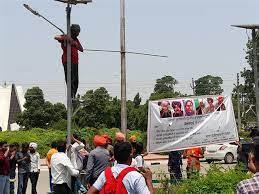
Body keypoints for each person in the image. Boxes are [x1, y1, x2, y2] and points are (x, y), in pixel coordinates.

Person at [87, 142, 155, 194]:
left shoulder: (105, 173)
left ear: (115, 157)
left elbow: (90, 192)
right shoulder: (136, 176)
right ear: (131, 154)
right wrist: (149, 180)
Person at [55, 24, 84, 98]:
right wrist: (67, 39)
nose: (78, 34)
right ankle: (71, 95)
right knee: (70, 79)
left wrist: (74, 43)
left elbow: (81, 49)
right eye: (77, 32)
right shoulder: (65, 36)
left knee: (76, 81)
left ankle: (73, 95)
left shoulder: (75, 39)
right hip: (67, 61)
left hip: (75, 62)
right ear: (73, 31)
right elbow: (56, 37)